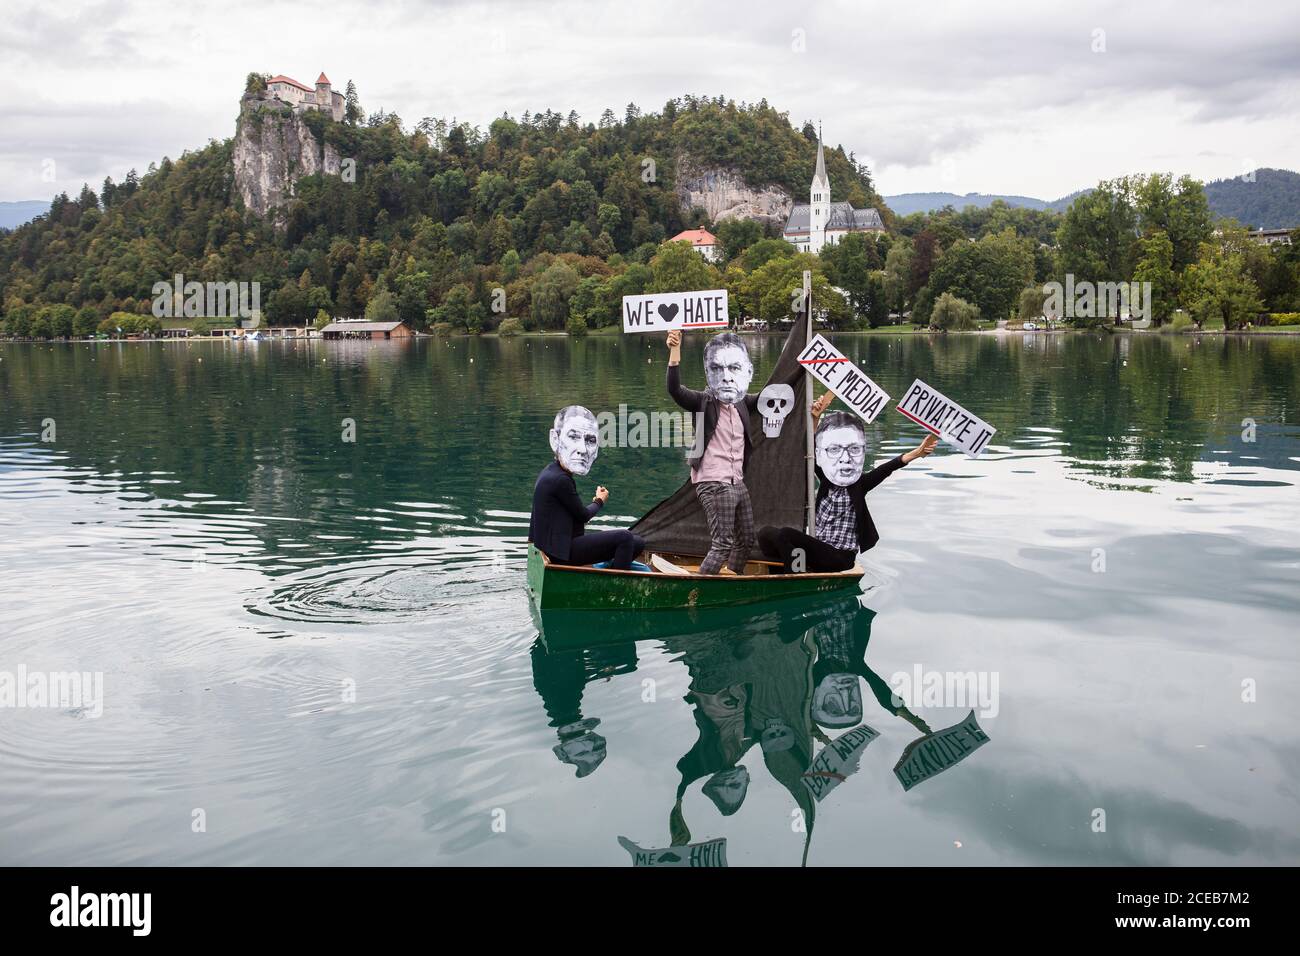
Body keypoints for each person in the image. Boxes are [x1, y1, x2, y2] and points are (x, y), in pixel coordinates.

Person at [665, 329, 801, 575]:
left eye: (734, 370)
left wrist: (803, 371)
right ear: (708, 374)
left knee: (746, 540)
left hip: (736, 482)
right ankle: (697, 592)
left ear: (748, 373)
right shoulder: (702, 402)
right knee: (722, 544)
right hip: (714, 482)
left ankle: (732, 579)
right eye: (717, 369)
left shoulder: (742, 403)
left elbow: (773, 397)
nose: (726, 378)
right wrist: (675, 351)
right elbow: (675, 389)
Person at [757, 392, 938, 574]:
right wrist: (815, 417)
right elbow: (812, 450)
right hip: (819, 549)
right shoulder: (827, 478)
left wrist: (917, 453)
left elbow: (888, 468)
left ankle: (796, 575)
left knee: (787, 534)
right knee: (765, 533)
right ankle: (786, 568)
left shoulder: (860, 484)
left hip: (840, 557)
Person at [528, 405, 645, 569]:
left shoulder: (550, 471)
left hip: (558, 546)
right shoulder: (561, 480)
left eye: (590, 441)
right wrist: (599, 500)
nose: (582, 450)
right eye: (573, 438)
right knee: (625, 537)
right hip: (562, 553)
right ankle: (615, 589)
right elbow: (583, 516)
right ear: (556, 440)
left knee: (637, 542)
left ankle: (608, 571)